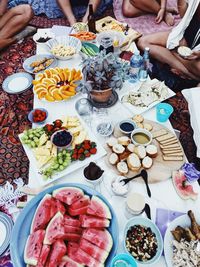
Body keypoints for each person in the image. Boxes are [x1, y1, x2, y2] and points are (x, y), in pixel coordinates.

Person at [137, 0, 200, 82]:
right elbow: (183, 14)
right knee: (143, 42)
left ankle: (172, 54)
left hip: (197, 54)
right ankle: (188, 73)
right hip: (183, 37)